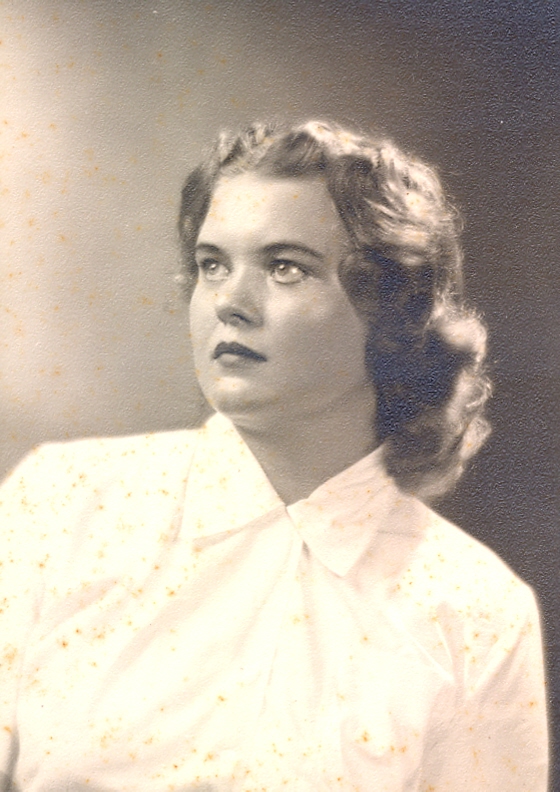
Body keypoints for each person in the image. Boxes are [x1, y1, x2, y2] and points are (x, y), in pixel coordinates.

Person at [0, 121, 548, 791]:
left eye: (286, 267)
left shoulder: (476, 610)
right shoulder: (62, 502)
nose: (229, 303)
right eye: (212, 265)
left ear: (392, 313)